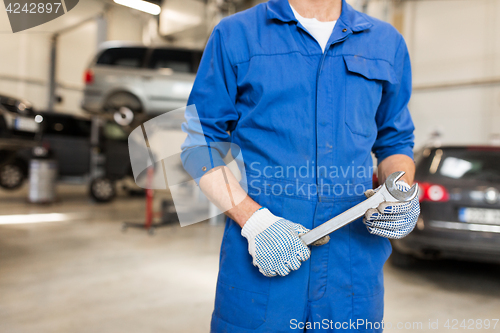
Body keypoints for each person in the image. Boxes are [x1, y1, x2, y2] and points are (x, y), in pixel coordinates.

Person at [180, 0, 420, 331]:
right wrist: (254, 222)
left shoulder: (385, 42)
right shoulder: (236, 34)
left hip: (352, 276)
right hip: (260, 269)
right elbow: (199, 143)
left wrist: (401, 191)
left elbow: (395, 142)